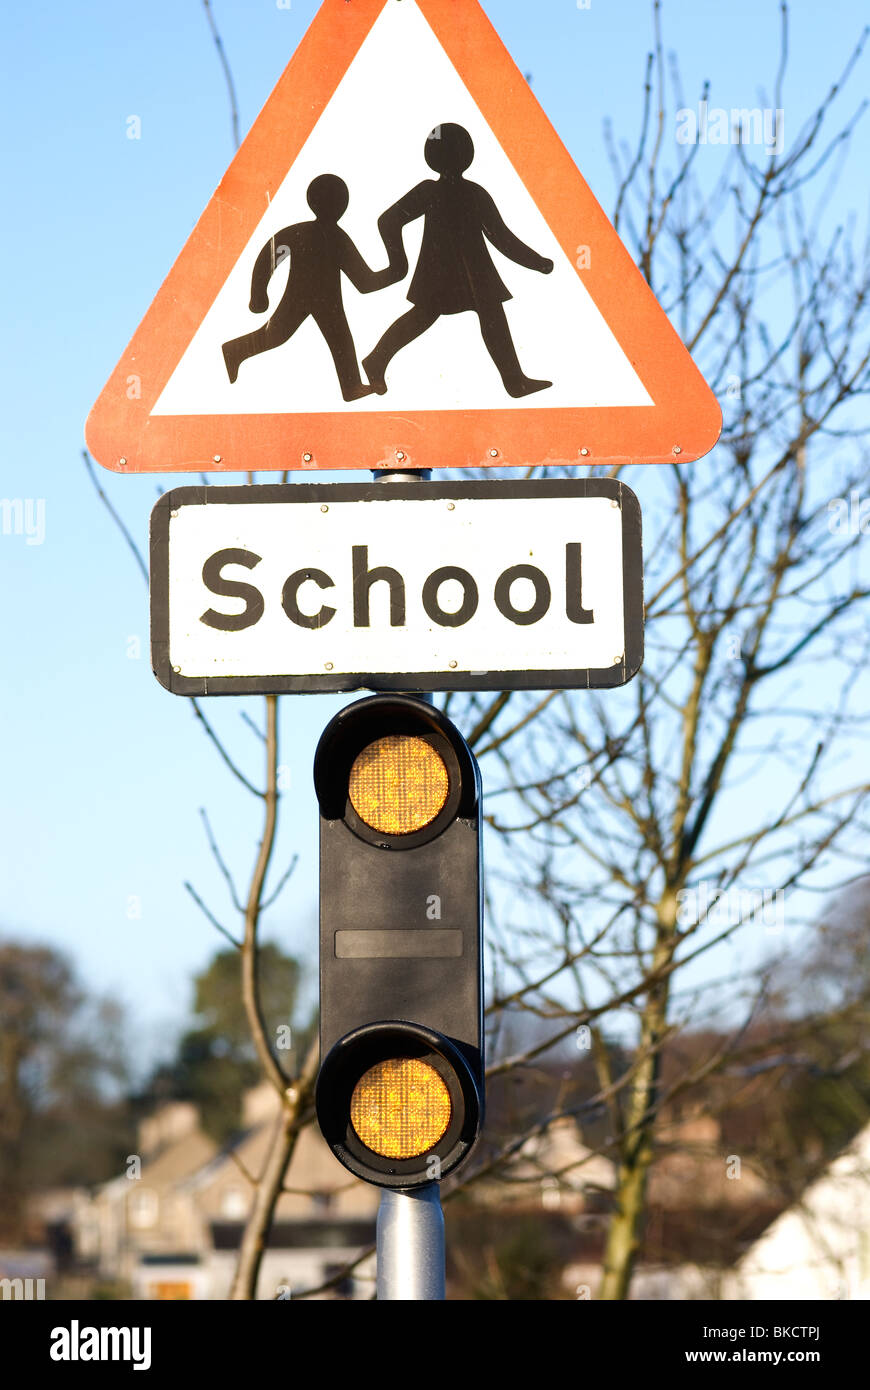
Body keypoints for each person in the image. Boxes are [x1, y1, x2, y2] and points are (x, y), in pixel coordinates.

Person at [363, 123, 554, 398]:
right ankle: (376, 360)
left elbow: (500, 236)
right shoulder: (436, 191)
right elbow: (388, 221)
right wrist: (398, 263)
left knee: (486, 312)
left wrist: (537, 262)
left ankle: (515, 382)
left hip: (473, 272)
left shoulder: (471, 193)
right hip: (445, 272)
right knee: (428, 315)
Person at [222, 173, 391, 402]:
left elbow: (269, 257)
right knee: (286, 336)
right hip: (311, 299)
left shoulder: (310, 234)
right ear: (343, 205)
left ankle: (236, 350)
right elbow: (364, 281)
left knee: (320, 337)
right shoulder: (332, 237)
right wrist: (395, 272)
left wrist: (258, 295)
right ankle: (235, 351)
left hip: (317, 300)